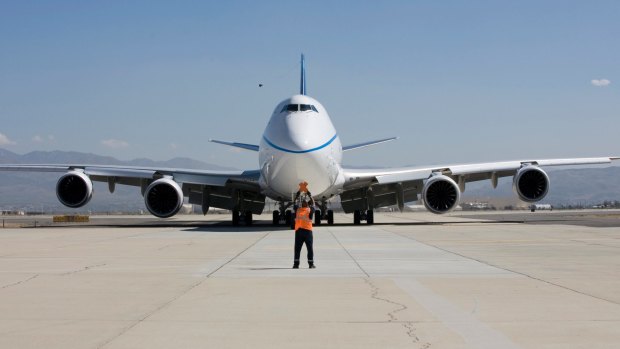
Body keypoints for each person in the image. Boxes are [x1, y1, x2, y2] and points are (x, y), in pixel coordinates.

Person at [293, 190, 315, 269]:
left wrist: (297, 195)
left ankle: (296, 264)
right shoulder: (310, 210)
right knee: (310, 249)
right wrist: (310, 195)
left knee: (297, 249)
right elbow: (313, 204)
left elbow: (294, 203)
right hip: (308, 232)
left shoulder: (298, 210)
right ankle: (311, 264)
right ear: (307, 205)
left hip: (299, 232)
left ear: (301, 205)